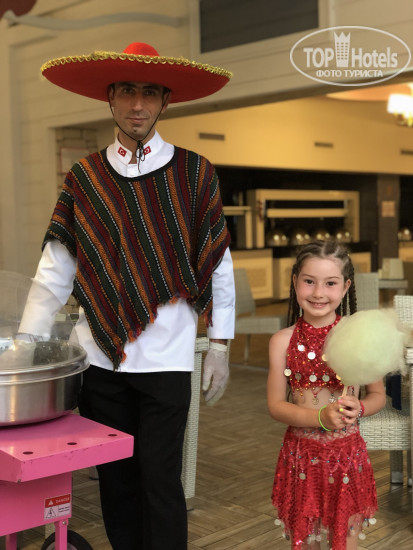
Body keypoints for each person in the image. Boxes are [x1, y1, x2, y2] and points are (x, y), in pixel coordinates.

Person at [18, 42, 235, 550]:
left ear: (165, 102)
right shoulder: (85, 178)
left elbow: (218, 264)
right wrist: (27, 343)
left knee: (160, 481)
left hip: (168, 359)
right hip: (98, 358)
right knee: (115, 481)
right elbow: (56, 269)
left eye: (150, 93)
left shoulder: (195, 173)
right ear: (110, 99)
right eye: (128, 92)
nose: (138, 105)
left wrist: (221, 345)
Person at [267, 240, 386, 550]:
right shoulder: (282, 341)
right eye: (309, 281)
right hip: (301, 458)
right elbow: (276, 406)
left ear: (345, 287)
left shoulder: (359, 338)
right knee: (305, 540)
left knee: (345, 540)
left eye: (330, 283)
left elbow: (378, 395)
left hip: (347, 458)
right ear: (295, 282)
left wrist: (359, 408)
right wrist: (319, 416)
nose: (318, 292)